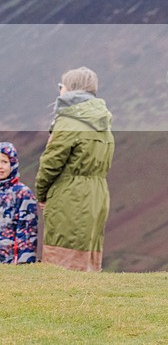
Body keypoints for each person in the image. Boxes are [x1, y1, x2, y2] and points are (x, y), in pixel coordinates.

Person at [36, 67, 115, 271]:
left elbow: (51, 162)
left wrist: (42, 194)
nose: (60, 90)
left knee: (61, 261)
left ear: (70, 88)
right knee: (87, 262)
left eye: (61, 86)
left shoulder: (69, 121)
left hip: (70, 195)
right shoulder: (103, 122)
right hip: (97, 195)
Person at [0, 142, 38, 264]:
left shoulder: (22, 193)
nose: (0, 166)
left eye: (4, 162)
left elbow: (27, 231)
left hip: (11, 260)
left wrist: (25, 262)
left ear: (13, 164)